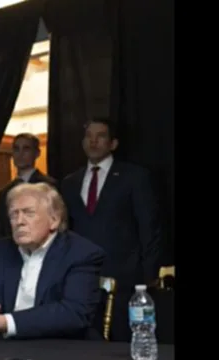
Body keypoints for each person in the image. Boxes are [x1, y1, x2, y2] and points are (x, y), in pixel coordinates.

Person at [0, 182, 104, 339]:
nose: (19, 221)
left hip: (60, 346)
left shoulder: (81, 253)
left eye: (29, 213)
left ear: (54, 220)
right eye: (14, 214)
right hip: (0, 347)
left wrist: (5, 322)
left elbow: (74, 313)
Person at [60, 118, 161, 342]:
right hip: (82, 276)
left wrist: (149, 274)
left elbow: (148, 226)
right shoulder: (70, 182)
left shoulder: (135, 176)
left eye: (100, 136)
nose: (93, 141)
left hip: (125, 276)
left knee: (122, 340)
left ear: (113, 143)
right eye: (88, 136)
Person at [0, 133, 55, 240]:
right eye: (16, 149)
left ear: (37, 153)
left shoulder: (49, 186)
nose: (20, 154)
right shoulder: (4, 193)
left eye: (26, 149)